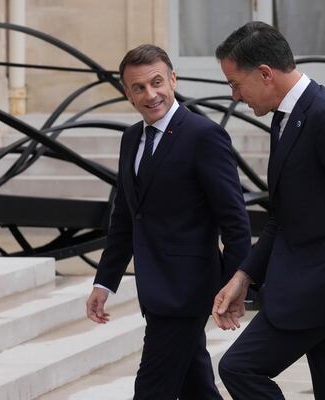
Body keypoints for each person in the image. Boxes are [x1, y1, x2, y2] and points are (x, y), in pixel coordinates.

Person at [211, 22, 325, 400]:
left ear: (265, 74)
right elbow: (284, 215)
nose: (234, 96)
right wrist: (244, 275)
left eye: (235, 84)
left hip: (322, 290)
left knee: (239, 368)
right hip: (319, 289)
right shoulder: (284, 117)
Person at [85, 44, 251, 400]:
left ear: (173, 79)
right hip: (155, 288)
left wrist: (235, 285)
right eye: (139, 88)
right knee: (196, 386)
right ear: (127, 94)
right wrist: (105, 282)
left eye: (157, 82)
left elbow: (235, 221)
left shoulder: (203, 136)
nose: (151, 94)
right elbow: (127, 218)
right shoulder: (131, 138)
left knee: (151, 389)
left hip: (187, 291)